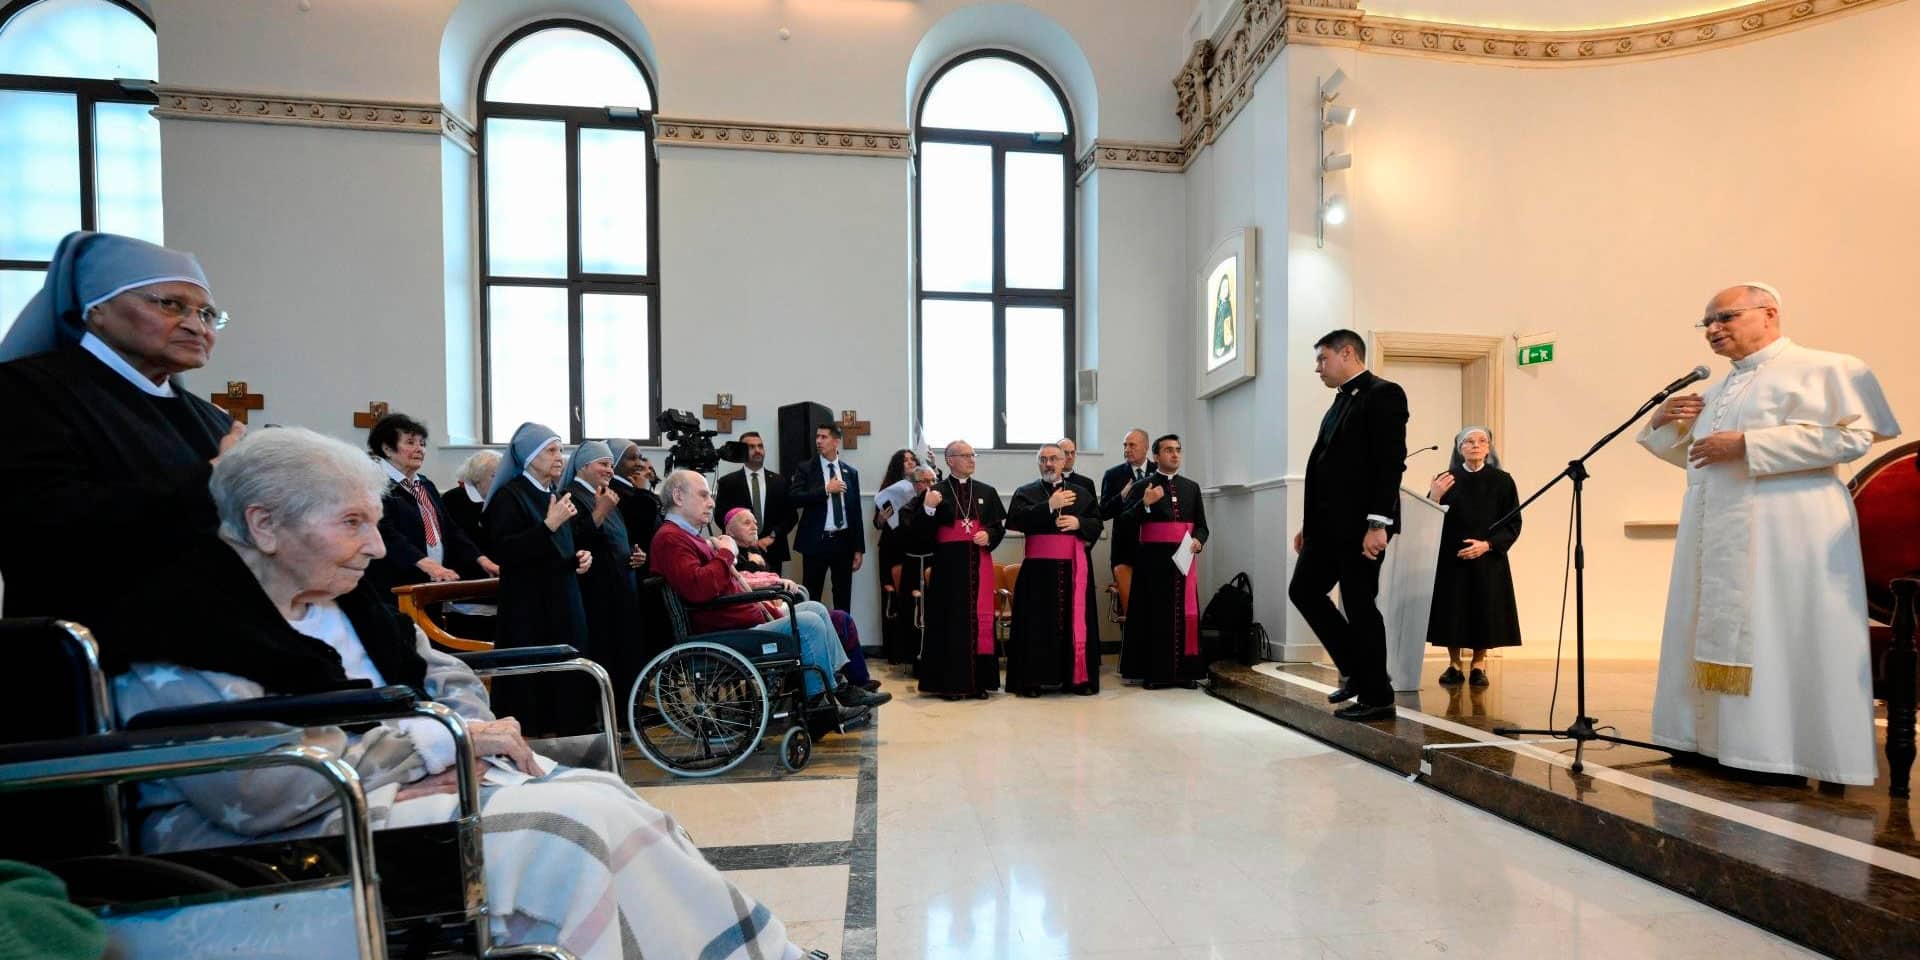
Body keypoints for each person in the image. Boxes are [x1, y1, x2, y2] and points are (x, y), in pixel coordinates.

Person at [101, 427, 820, 960]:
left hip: (398, 783)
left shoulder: (346, 600)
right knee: (567, 835)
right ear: (263, 525)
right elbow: (261, 787)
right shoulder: (188, 626)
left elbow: (440, 676)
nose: (379, 548)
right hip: (294, 833)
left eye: (376, 523)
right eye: (353, 524)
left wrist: (464, 734)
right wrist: (438, 744)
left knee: (610, 801)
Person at [1638, 283, 1900, 785]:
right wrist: (1662, 423)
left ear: (1769, 313)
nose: (1713, 330)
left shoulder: (1828, 367)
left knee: (1779, 630)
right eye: (1707, 323)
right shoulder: (1714, 390)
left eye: (1725, 317)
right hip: (1716, 527)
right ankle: (1711, 742)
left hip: (1790, 527)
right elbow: (1698, 456)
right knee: (1703, 627)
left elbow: (1854, 437)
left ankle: (1784, 754)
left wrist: (1751, 445)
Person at [0, 231, 243, 627]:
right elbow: (44, 528)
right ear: (97, 309)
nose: (196, 326)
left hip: (216, 637)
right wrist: (214, 478)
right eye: (171, 305)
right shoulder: (24, 392)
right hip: (94, 645)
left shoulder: (214, 420)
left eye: (207, 314)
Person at [649, 470, 889, 717]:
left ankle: (837, 686)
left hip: (736, 622)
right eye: (703, 495)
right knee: (808, 623)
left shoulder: (687, 536)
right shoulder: (671, 539)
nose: (711, 502)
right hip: (724, 632)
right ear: (678, 496)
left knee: (815, 609)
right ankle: (820, 707)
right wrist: (727, 552)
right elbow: (699, 589)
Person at [1289, 330, 1407, 721]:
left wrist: (1378, 523)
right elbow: (1324, 467)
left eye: (1323, 359)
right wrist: (1309, 525)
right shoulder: (1340, 402)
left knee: (1359, 605)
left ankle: (1378, 696)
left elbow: (1390, 464)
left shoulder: (1384, 394)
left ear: (1348, 352)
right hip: (1326, 528)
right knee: (1304, 590)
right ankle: (1358, 669)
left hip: (1360, 527)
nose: (1318, 368)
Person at [481, 422, 593, 736]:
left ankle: (569, 730)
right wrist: (548, 525)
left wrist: (578, 558)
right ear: (530, 457)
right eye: (552, 450)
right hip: (529, 607)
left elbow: (556, 548)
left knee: (565, 673)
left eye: (561, 450)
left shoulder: (553, 493)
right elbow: (507, 551)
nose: (561, 457)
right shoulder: (510, 496)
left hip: (562, 597)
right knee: (534, 684)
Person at [726, 508, 881, 694]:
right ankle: (840, 685)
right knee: (836, 620)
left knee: (836, 616)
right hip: (757, 617)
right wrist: (764, 573)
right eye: (746, 523)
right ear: (730, 531)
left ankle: (848, 681)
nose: (754, 527)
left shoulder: (755, 551)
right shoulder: (729, 555)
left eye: (755, 523)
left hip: (771, 607)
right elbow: (744, 583)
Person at [1425, 426, 1523, 687]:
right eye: (1469, 442)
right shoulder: (1446, 479)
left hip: (1487, 556)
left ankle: (1479, 664)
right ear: (1459, 449)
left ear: (1489, 448)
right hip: (1452, 556)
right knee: (1452, 610)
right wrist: (1433, 496)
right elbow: (1428, 518)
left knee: (1484, 609)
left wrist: (1488, 545)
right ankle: (1454, 664)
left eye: (1482, 441)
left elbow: (1513, 523)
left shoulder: (1503, 481)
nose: (1476, 446)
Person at [1005, 444, 1104, 696]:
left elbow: (1097, 523)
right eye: (1043, 459)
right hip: (1038, 573)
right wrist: (1049, 506)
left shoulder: (1082, 493)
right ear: (1038, 463)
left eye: (1053, 459)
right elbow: (1015, 521)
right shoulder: (1025, 492)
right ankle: (1033, 681)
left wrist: (1079, 522)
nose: (1048, 464)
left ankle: (1077, 680)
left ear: (1064, 462)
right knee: (1037, 625)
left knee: (1075, 622)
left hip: (1074, 570)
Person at [365, 412, 495, 598]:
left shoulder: (424, 484)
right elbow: (385, 534)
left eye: (422, 444)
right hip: (394, 587)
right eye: (410, 443)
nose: (420, 449)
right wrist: (427, 564)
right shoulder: (376, 484)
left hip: (431, 582)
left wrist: (481, 559)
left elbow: (450, 529)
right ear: (387, 449)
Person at [914, 441, 1007, 700]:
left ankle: (979, 683)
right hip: (947, 570)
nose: (972, 459)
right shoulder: (936, 492)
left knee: (978, 622)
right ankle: (949, 684)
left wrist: (988, 535)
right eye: (965, 455)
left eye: (973, 455)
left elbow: (999, 528)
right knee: (949, 624)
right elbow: (919, 537)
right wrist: (928, 508)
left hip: (979, 566)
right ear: (950, 460)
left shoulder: (987, 492)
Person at [1118, 435, 1209, 689]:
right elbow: (1125, 523)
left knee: (1184, 616)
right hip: (1152, 564)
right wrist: (1144, 505)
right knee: (1155, 618)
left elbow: (1202, 526)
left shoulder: (1191, 487)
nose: (1175, 454)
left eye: (1178, 450)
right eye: (1168, 450)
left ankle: (1185, 674)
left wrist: (1199, 541)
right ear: (1156, 456)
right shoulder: (1142, 486)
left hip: (1183, 563)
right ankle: (1154, 673)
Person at [563, 441, 645, 695]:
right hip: (597, 592)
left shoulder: (604, 495)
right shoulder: (573, 495)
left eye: (611, 464)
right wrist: (600, 511)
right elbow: (576, 541)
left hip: (620, 587)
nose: (610, 470)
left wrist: (636, 554)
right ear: (584, 465)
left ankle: (625, 710)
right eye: (603, 464)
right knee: (606, 653)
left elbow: (615, 538)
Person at [789, 423, 865, 611]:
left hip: (843, 542)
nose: (818, 441)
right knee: (812, 596)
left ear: (836, 441)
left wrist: (858, 549)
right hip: (817, 542)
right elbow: (794, 498)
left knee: (843, 596)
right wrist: (825, 490)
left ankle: (843, 639)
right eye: (817, 437)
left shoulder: (850, 472)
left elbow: (856, 512)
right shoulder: (806, 468)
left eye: (824, 437)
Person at [715, 431, 794, 576]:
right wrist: (745, 539)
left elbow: (790, 516)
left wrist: (771, 537)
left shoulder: (780, 481)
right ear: (742, 451)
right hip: (740, 552)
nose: (757, 450)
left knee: (773, 594)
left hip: (772, 548)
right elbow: (721, 516)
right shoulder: (728, 482)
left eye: (760, 446)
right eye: (751, 447)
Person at [872, 449, 921, 663]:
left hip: (913, 546)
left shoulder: (921, 485)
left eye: (912, 459)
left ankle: (912, 647)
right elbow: (877, 523)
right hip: (892, 547)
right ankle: (894, 650)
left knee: (912, 594)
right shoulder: (889, 489)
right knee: (891, 596)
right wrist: (882, 518)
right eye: (905, 460)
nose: (909, 462)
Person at [1099, 428, 1152, 618]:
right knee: (1128, 610)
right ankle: (1128, 647)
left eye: (1132, 445)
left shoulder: (1159, 473)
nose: (1127, 449)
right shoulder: (1113, 475)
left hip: (1153, 551)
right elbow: (1103, 512)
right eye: (1125, 445)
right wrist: (1121, 496)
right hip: (1124, 551)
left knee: (1153, 609)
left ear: (1146, 447)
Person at [607, 439, 659, 562]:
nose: (639, 463)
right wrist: (641, 491)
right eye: (632, 458)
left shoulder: (629, 487)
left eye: (640, 458)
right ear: (615, 461)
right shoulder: (614, 490)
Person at [443, 449, 501, 554]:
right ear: (477, 476)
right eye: (494, 476)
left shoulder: (499, 497)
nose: (499, 481)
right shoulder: (453, 499)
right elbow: (456, 541)